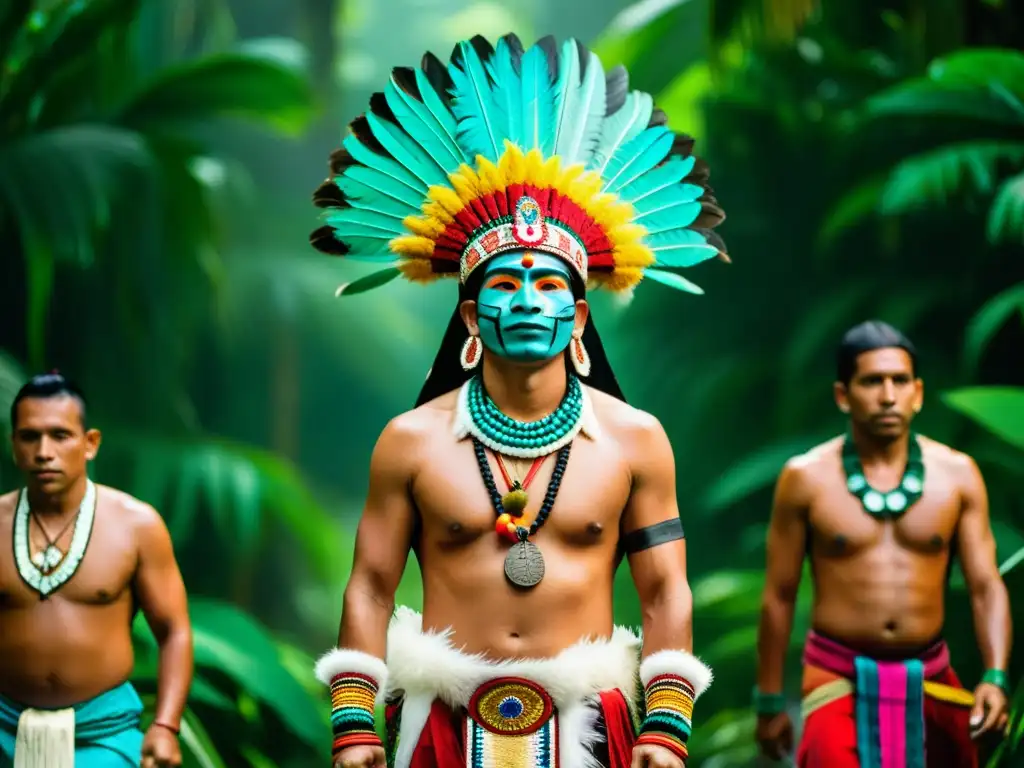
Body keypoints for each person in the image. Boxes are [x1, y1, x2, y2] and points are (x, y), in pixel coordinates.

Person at [307, 32, 730, 768]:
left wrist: (666, 727)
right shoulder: (410, 441)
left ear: (580, 315)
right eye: (504, 285)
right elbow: (370, 587)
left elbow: (665, 589)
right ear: (470, 316)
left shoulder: (636, 440)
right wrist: (353, 726)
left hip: (592, 730)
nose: (529, 302)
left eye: (549, 286)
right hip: (437, 729)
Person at [753, 321, 1013, 767]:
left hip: (932, 676)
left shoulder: (958, 475)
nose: (888, 395)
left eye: (899, 381)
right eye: (872, 381)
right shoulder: (805, 479)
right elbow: (779, 595)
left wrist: (994, 675)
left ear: (918, 392)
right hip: (836, 677)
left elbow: (986, 586)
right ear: (842, 395)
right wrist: (770, 699)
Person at [0, 372, 193, 768]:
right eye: (30, 437)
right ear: (13, 445)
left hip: (104, 736)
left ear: (90, 443)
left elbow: (173, 630)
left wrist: (166, 725)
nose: (43, 451)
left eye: (60, 435)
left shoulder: (136, 526)